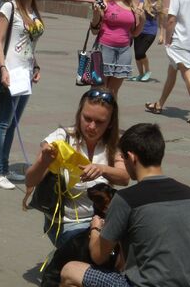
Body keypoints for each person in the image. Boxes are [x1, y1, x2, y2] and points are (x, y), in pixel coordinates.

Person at [60, 123, 190, 287]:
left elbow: (98, 255)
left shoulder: (128, 199)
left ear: (131, 157)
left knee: (69, 273)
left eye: (122, 160)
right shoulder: (189, 194)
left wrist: (96, 228)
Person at [25, 88, 129, 245]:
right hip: (66, 223)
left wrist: (103, 169)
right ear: (79, 114)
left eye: (100, 122)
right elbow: (30, 180)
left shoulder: (114, 143)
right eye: (87, 118)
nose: (92, 126)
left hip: (101, 218)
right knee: (91, 250)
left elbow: (124, 178)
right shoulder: (62, 137)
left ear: (110, 124)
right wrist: (44, 161)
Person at [0, 0, 44, 190]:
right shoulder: (9, 8)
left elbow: (29, 44)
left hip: (26, 73)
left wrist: (36, 64)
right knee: (2, 122)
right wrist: (3, 69)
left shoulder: (33, 10)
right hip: (11, 71)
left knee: (13, 123)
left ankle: (5, 167)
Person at [89, 0, 146, 97]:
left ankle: (110, 116)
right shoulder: (105, 3)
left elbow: (135, 33)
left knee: (113, 92)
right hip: (105, 49)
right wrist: (96, 14)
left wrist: (142, 19)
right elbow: (94, 30)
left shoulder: (132, 6)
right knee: (99, 90)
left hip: (124, 51)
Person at [130, 0, 165, 82]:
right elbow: (139, 8)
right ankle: (140, 74)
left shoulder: (159, 3)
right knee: (137, 54)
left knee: (141, 52)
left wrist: (162, 35)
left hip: (151, 31)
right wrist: (137, 10)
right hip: (139, 29)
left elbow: (161, 20)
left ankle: (148, 71)